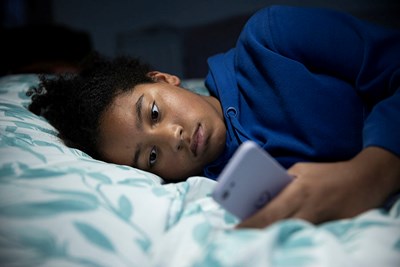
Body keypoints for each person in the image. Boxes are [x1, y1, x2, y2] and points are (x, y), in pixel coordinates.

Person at [27, 6, 400, 228]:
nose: (172, 137)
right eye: (152, 157)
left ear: (164, 79)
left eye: (154, 113)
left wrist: (372, 172)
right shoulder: (219, 189)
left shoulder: (272, 39)